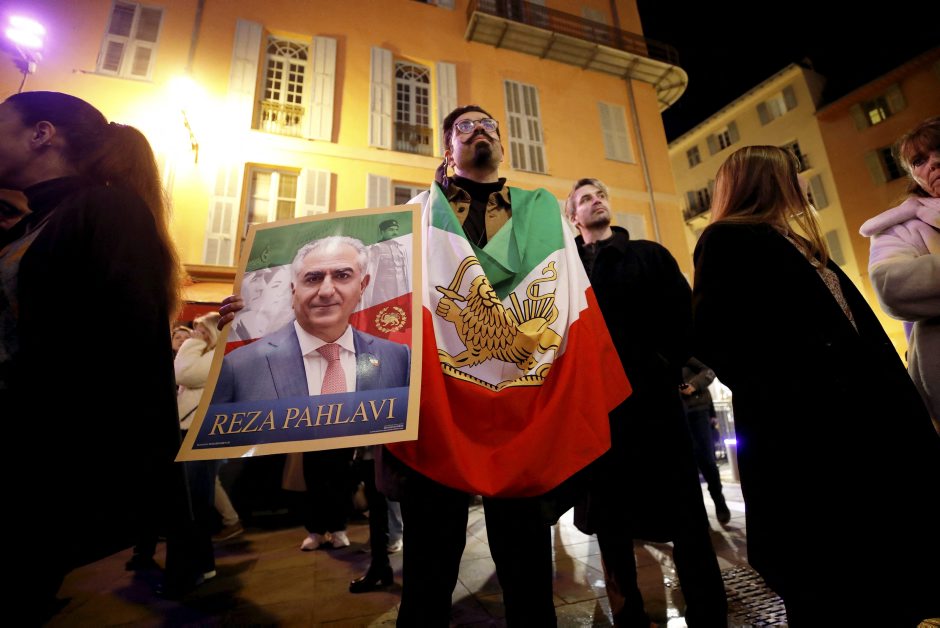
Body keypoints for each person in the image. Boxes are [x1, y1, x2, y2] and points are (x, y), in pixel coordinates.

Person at [218, 105, 626, 626]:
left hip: (527, 413)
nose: (479, 131)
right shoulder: (411, 220)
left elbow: (571, 299)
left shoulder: (545, 213)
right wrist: (255, 312)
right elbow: (353, 297)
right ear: (447, 149)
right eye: (464, 127)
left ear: (502, 145)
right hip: (433, 412)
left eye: (489, 125)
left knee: (527, 579)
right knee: (428, 579)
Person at [691, 144, 940, 625]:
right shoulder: (727, 239)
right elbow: (717, 336)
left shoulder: (799, 243)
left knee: (879, 564)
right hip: (806, 435)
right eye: (795, 170)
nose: (805, 180)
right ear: (768, 178)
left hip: (859, 423)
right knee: (826, 573)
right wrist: (795, 396)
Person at [0, 91, 192, 621]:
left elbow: (126, 346)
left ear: (42, 133)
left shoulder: (106, 210)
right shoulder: (39, 220)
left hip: (44, 457)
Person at [565, 178, 727, 627]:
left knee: (685, 516)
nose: (597, 200)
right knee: (610, 522)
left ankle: (709, 612)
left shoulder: (649, 255)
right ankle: (627, 616)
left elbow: (683, 321)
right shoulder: (564, 270)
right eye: (585, 199)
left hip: (654, 409)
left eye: (601, 194)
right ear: (573, 217)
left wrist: (660, 365)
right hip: (599, 414)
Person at [212, 236, 411, 577]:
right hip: (304, 450)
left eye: (342, 276)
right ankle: (316, 530)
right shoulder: (243, 364)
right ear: (294, 289)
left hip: (354, 454)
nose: (326, 290)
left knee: (342, 485)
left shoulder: (396, 357)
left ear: (363, 286)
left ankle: (339, 528)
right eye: (313, 278)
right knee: (312, 484)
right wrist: (229, 340)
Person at [859, 116, 940, 433]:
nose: (933, 163)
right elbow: (891, 286)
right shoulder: (900, 228)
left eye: (939, 149)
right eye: (919, 160)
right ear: (913, 175)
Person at [680, 356, 731, 524]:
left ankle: (718, 500)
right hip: (679, 414)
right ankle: (699, 516)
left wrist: (693, 385)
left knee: (707, 461)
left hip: (697, 410)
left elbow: (708, 370)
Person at [364, 218, 410, 306]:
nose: (395, 233)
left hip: (401, 289)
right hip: (383, 291)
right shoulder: (376, 248)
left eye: (396, 230)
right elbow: (370, 272)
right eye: (391, 230)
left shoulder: (401, 248)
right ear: (382, 232)